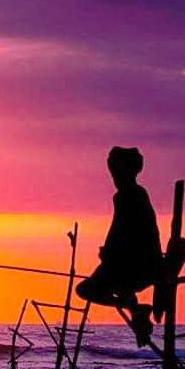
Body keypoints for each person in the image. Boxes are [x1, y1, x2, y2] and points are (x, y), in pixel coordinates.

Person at [75, 146, 164, 347]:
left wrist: (109, 252)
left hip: (136, 265)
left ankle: (132, 307)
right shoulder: (131, 195)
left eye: (116, 173)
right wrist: (109, 250)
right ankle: (135, 310)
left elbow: (124, 230)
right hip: (129, 263)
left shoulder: (130, 196)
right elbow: (119, 230)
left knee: (87, 289)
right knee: (92, 288)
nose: (114, 178)